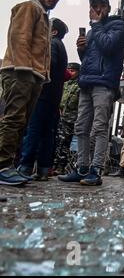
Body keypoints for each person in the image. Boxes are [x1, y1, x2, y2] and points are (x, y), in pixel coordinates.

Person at [59, 0, 124, 186]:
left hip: (104, 83)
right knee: (81, 126)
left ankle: (96, 170)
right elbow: (88, 61)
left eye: (101, 6)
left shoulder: (118, 26)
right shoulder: (91, 31)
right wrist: (82, 49)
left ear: (107, 7)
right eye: (94, 6)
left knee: (99, 126)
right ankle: (81, 167)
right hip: (86, 82)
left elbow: (107, 47)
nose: (97, 10)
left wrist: (96, 25)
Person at [0, 0, 64, 186]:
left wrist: (42, 75)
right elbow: (19, 37)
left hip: (34, 76)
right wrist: (24, 68)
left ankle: (9, 165)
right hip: (20, 72)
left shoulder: (45, 17)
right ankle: (2, 166)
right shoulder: (29, 7)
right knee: (13, 119)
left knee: (22, 123)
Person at [17, 18, 69, 181]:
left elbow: (48, 64)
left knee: (33, 131)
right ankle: (43, 169)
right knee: (47, 133)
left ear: (53, 31)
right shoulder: (61, 46)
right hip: (53, 97)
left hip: (43, 94)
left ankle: (25, 167)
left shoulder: (52, 44)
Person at [53, 63, 81, 175]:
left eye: (73, 70)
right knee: (60, 142)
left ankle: (65, 166)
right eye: (68, 70)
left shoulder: (80, 85)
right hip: (62, 117)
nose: (70, 72)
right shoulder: (64, 84)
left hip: (74, 118)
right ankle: (56, 165)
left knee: (70, 145)